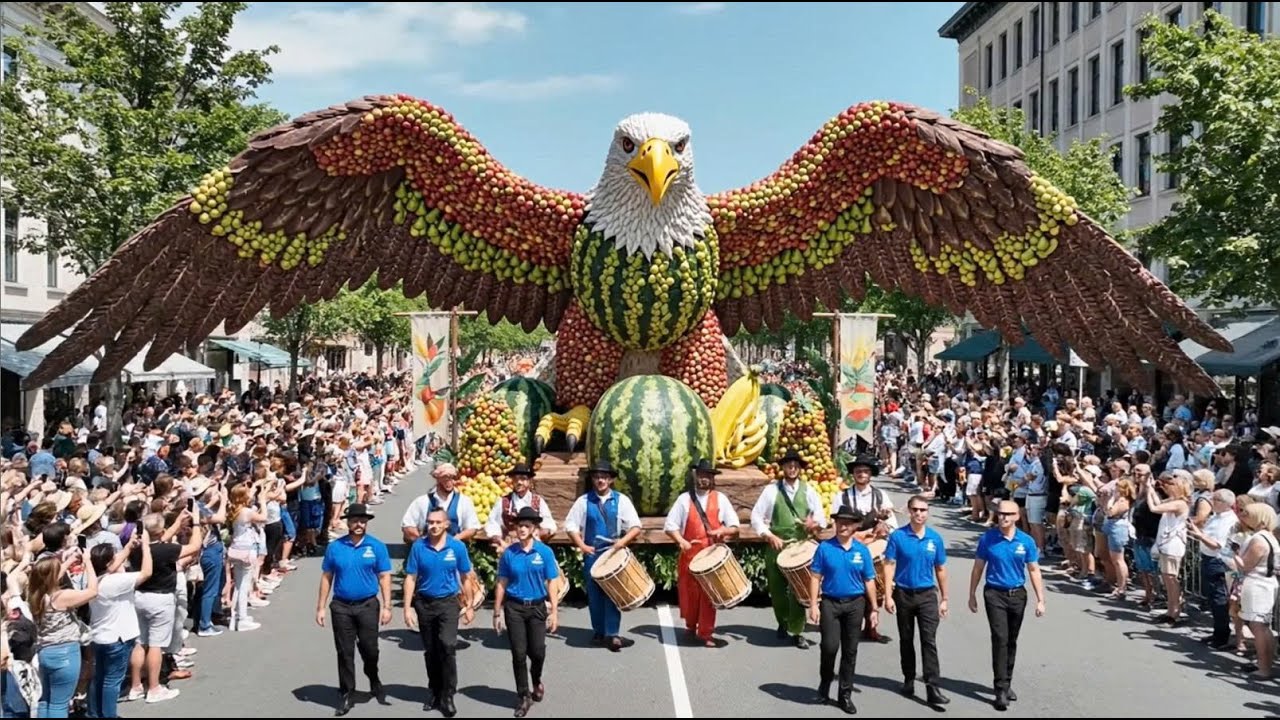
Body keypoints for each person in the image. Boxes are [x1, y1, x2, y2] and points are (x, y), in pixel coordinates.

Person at [967, 499, 1046, 711]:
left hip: (1017, 594)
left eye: (1008, 514)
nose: (1003, 517)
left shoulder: (1026, 541)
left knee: (1011, 640)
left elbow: (1033, 570)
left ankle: (1007, 681)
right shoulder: (988, 539)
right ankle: (1000, 689)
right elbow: (978, 568)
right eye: (1001, 514)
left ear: (1017, 517)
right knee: (1000, 638)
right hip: (994, 593)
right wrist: (972, 594)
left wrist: (1040, 600)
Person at [316, 504, 393, 717]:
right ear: (347, 522)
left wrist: (387, 606)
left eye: (362, 521)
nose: (359, 524)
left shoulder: (376, 546)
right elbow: (326, 577)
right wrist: (320, 607)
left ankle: (373, 674)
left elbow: (384, 576)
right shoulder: (335, 547)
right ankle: (347, 692)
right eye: (355, 520)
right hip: (341, 606)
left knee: (370, 649)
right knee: (344, 651)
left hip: (368, 605)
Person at [750, 449, 827, 648]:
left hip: (800, 548)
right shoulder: (771, 490)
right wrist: (769, 535)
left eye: (795, 466)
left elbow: (821, 517)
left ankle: (797, 630)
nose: (792, 469)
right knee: (777, 590)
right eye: (788, 465)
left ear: (800, 468)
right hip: (777, 545)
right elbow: (756, 517)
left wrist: (813, 524)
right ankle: (782, 622)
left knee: (798, 589)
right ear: (783, 467)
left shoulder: (809, 490)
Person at [806, 505, 878, 715]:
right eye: (839, 522)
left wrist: (874, 609)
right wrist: (813, 604)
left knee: (850, 650)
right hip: (830, 602)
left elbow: (869, 580)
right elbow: (815, 577)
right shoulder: (825, 548)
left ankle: (844, 695)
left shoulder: (862, 551)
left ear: (856, 526)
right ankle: (825, 682)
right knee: (829, 647)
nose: (842, 526)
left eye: (847, 522)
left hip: (855, 604)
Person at [403, 508, 475, 717]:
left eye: (437, 522)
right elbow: (411, 578)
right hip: (424, 604)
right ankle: (434, 690)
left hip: (448, 603)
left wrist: (469, 605)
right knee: (431, 650)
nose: (433, 526)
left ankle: (448, 693)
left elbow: (465, 577)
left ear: (446, 525)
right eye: (430, 522)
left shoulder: (457, 547)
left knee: (447, 645)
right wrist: (407, 608)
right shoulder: (419, 547)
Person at [563, 460, 641, 651]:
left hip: (613, 555)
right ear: (593, 479)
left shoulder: (621, 500)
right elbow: (570, 525)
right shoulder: (583, 501)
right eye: (597, 477)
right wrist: (582, 545)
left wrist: (621, 543)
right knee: (595, 595)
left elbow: (635, 526)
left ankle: (612, 634)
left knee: (613, 593)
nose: (601, 480)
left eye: (604, 477)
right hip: (593, 554)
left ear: (611, 480)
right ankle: (598, 631)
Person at [663, 458, 740, 647]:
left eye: (708, 476)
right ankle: (690, 625)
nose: (704, 479)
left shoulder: (721, 499)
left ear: (712, 478)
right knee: (689, 594)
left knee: (708, 596)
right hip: (690, 555)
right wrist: (681, 541)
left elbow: (735, 526)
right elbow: (670, 526)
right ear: (696, 476)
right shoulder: (684, 499)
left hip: (712, 557)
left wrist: (721, 531)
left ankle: (705, 633)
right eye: (701, 475)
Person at [882, 495, 950, 706]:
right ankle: (909, 678)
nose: (919, 514)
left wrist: (945, 598)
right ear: (909, 512)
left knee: (928, 640)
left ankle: (932, 687)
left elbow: (940, 569)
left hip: (927, 595)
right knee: (906, 638)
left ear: (927, 513)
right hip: (903, 594)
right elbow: (889, 565)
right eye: (916, 510)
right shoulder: (898, 537)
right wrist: (887, 595)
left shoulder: (934, 538)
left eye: (923, 510)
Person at [493, 506, 561, 718]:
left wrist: (554, 611)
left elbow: (552, 582)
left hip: (538, 608)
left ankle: (537, 678)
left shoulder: (544, 552)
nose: (521, 529)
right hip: (515, 607)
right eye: (519, 525)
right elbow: (502, 582)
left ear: (533, 529)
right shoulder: (509, 554)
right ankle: (523, 695)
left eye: (526, 526)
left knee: (538, 651)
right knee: (518, 653)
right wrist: (497, 611)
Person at [484, 464, 558, 551]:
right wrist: (500, 541)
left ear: (530, 481)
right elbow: (492, 523)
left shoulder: (538, 501)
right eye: (516, 479)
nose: (519, 482)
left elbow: (549, 525)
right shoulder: (503, 501)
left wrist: (536, 535)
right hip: (509, 547)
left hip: (533, 548)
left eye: (523, 479)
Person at [402, 463, 481, 543]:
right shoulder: (421, 502)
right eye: (445, 478)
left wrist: (456, 539)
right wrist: (422, 544)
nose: (450, 482)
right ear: (438, 479)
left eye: (452, 478)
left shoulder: (464, 502)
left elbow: (472, 528)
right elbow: (408, 526)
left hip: (452, 551)